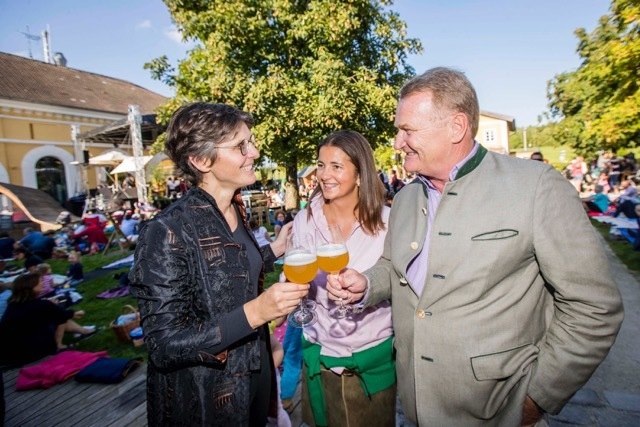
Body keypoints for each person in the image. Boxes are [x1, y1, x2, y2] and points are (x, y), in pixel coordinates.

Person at [326, 67, 624, 426]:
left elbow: (594, 308)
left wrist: (536, 399)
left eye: (407, 130)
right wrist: (368, 283)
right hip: (417, 407)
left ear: (456, 127)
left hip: (499, 412)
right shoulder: (404, 199)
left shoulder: (536, 187)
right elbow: (394, 266)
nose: (396, 143)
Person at [128, 102, 309, 426]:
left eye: (250, 142)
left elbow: (222, 272)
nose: (254, 151)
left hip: (255, 371)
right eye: (241, 146)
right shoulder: (167, 230)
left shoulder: (233, 210)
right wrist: (256, 313)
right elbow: (163, 344)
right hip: (206, 397)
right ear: (201, 160)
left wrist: (274, 250)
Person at [292, 130, 394, 427]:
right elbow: (298, 280)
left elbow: (399, 281)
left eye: (336, 166)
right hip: (319, 354)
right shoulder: (305, 219)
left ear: (360, 174)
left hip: (370, 360)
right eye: (321, 165)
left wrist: (363, 288)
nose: (324, 174)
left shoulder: (388, 222)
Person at [0, 273, 95, 367]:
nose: (42, 283)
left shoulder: (12, 305)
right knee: (60, 318)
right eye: (39, 282)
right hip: (32, 352)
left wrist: (50, 307)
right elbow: (61, 315)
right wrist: (73, 312)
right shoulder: (41, 305)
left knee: (56, 317)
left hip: (9, 354)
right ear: (31, 287)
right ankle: (60, 345)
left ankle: (83, 331)